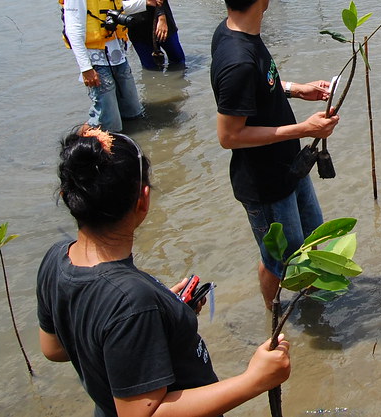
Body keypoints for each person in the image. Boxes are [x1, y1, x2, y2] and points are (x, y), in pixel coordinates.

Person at [37, 125, 291, 417]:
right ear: (143, 201)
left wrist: (162, 316)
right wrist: (253, 381)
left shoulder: (56, 259)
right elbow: (140, 414)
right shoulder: (133, 302)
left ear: (67, 195)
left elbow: (54, 348)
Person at [209, 0, 339, 309]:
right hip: (264, 184)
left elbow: (261, 88)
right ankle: (275, 316)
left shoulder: (238, 32)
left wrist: (298, 90)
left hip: (289, 167)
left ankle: (312, 307)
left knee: (312, 242)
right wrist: (305, 129)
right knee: (279, 261)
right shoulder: (236, 58)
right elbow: (229, 136)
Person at [49, 0, 165, 132]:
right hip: (95, 58)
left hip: (116, 51)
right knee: (108, 119)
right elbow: (73, 28)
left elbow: (116, 7)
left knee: (133, 111)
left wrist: (146, 1)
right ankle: (82, 144)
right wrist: (86, 68)